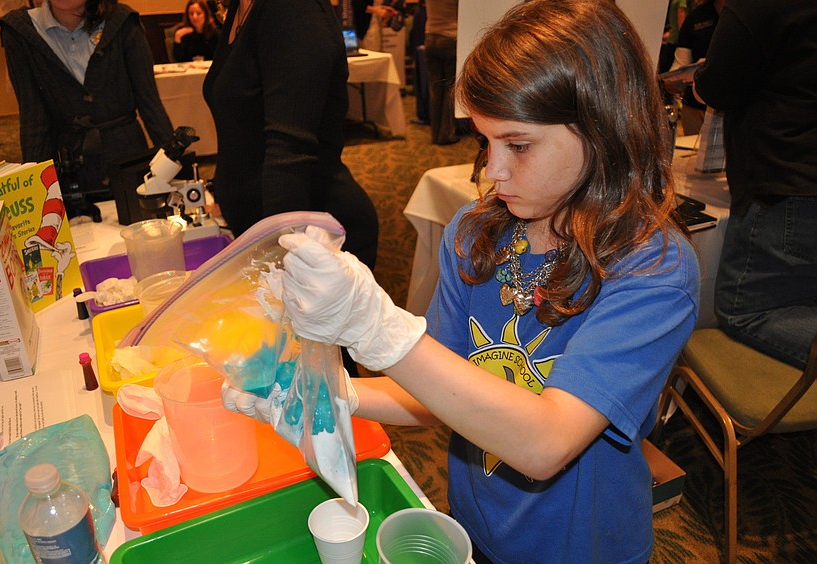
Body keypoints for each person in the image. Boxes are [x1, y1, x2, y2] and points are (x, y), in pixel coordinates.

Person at [223, 1, 700, 562]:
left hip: (581, 545)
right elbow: (440, 386)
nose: (493, 173)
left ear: (604, 128)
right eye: (485, 142)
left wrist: (377, 331)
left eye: (518, 145)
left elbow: (545, 442)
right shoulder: (476, 234)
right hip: (477, 523)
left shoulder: (652, 269)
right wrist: (336, 395)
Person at [203, 0, 379, 376]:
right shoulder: (241, 7)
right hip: (272, 234)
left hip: (308, 239)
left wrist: (281, 260)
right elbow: (245, 131)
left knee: (324, 394)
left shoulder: (292, 9)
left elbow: (290, 152)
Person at [692, 0, 817, 369]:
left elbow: (717, 87)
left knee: (744, 310)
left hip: (785, 184)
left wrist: (699, 81)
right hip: (795, 183)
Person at [0, 0, 174, 221]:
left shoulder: (121, 21)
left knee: (141, 236)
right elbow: (33, 118)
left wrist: (175, 169)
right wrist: (36, 197)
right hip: (67, 166)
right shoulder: (21, 30)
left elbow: (150, 105)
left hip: (127, 160)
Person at [669, 0, 725, 135]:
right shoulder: (696, 17)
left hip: (729, 109)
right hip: (695, 108)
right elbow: (680, 62)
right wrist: (673, 80)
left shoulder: (743, 16)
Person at [424, 0, 459, 145]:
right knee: (449, 89)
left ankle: (435, 133)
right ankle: (446, 134)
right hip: (450, 37)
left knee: (435, 90)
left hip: (430, 36)